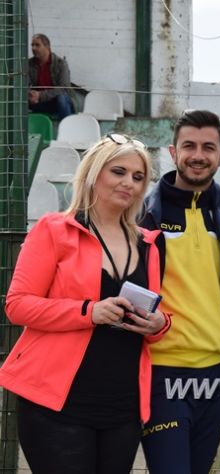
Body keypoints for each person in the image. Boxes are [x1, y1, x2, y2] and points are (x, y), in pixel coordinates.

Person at [0, 134, 169, 473]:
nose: (129, 183)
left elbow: (160, 312)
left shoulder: (150, 244)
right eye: (118, 171)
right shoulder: (54, 230)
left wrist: (159, 324)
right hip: (57, 404)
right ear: (93, 173)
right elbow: (17, 305)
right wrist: (89, 311)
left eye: (138, 177)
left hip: (123, 407)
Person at [140, 109, 220, 474]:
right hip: (161, 373)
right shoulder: (145, 213)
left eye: (208, 147)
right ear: (173, 152)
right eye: (189, 146)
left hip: (215, 376)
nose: (198, 155)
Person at [28, 33, 75, 119]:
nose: (33, 48)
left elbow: (64, 89)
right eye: (32, 45)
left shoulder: (61, 63)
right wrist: (30, 94)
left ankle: (68, 126)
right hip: (39, 102)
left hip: (58, 101)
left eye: (37, 45)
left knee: (61, 99)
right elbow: (24, 85)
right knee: (20, 100)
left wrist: (41, 95)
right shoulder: (29, 64)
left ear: (47, 47)